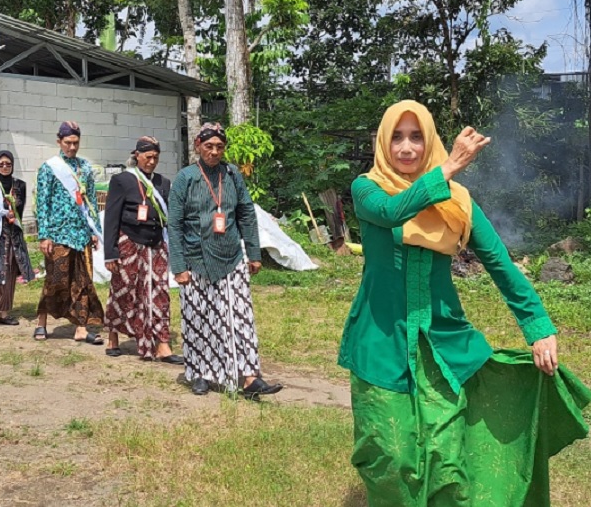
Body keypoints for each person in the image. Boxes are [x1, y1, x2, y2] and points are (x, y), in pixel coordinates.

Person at [340, 100, 590, 506]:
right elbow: (392, 212)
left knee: (446, 462)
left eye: (417, 136)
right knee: (389, 455)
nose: (406, 148)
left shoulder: (457, 202)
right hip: (380, 341)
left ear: (430, 140)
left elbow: (500, 264)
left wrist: (539, 326)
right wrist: (449, 167)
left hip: (442, 345)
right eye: (397, 137)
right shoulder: (368, 189)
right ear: (384, 143)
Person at [168, 122, 282, 400]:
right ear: (198, 146)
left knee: (240, 318)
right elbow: (174, 225)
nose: (214, 151)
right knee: (199, 318)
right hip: (196, 260)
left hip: (231, 258)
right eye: (209, 146)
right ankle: (200, 374)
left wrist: (253, 253)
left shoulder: (232, 176)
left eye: (219, 147)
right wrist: (179, 266)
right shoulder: (185, 178)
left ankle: (250, 377)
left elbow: (246, 214)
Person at [103, 137, 182, 363]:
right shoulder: (122, 180)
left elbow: (170, 218)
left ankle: (162, 343)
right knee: (123, 290)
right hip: (129, 243)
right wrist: (111, 252)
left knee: (159, 292)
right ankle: (113, 337)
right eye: (148, 157)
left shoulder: (163, 183)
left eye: (156, 157)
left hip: (155, 245)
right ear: (137, 155)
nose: (152, 161)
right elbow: (111, 217)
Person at [34, 121, 105, 344]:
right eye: (68, 143)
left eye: (75, 143)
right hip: (58, 234)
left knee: (82, 281)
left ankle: (81, 327)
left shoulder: (85, 167)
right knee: (55, 281)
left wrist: (95, 230)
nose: (72, 147)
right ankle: (41, 322)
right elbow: (42, 203)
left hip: (81, 233)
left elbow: (92, 200)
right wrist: (44, 235)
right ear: (59, 142)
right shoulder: (49, 167)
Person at [0, 150, 33, 326]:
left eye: (8, 164)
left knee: (10, 271)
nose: (4, 167)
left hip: (14, 233)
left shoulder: (20, 185)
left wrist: (12, 219)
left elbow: (20, 208)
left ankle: (4, 312)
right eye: (1, 164)